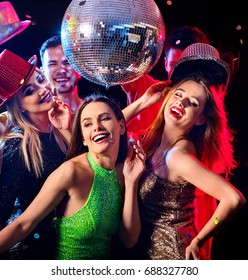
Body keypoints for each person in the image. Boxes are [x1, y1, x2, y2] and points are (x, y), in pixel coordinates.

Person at [129, 43, 246, 260]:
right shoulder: (154, 140)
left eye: (192, 103)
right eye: (178, 94)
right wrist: (144, 102)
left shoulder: (178, 157)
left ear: (201, 118)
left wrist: (199, 239)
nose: (180, 103)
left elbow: (233, 199)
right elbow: (109, 132)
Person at [0, 93, 146, 260]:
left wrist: (132, 182)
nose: (96, 127)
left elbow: (129, 240)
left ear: (121, 126)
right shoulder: (71, 171)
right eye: (88, 124)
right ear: (83, 138)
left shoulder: (122, 172)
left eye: (104, 118)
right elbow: (22, 225)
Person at [0, 49, 71, 259]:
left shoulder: (58, 125)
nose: (42, 90)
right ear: (19, 106)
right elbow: (3, 208)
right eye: (30, 91)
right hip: (28, 251)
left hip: (61, 243)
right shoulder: (18, 144)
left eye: (40, 80)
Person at [121, 25, 209, 136]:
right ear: (166, 63)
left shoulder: (202, 107)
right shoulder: (149, 88)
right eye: (174, 65)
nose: (179, 72)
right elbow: (119, 61)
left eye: (186, 66)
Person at [39, 35, 83, 116]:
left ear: (80, 69)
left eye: (67, 63)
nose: (61, 70)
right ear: (43, 72)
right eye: (52, 64)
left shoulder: (95, 110)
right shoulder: (38, 120)